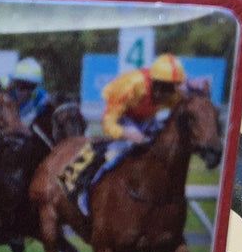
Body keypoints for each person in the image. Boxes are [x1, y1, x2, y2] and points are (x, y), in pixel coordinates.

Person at [60, 52, 187, 211]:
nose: (166, 94)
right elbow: (108, 124)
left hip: (147, 117)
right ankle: (84, 190)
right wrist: (128, 134)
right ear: (153, 82)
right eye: (163, 87)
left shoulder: (176, 94)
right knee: (117, 150)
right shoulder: (130, 86)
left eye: (171, 88)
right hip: (122, 114)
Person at [9, 57, 51, 126]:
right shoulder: (9, 96)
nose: (19, 91)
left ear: (34, 88)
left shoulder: (43, 101)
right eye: (16, 85)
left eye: (24, 87)